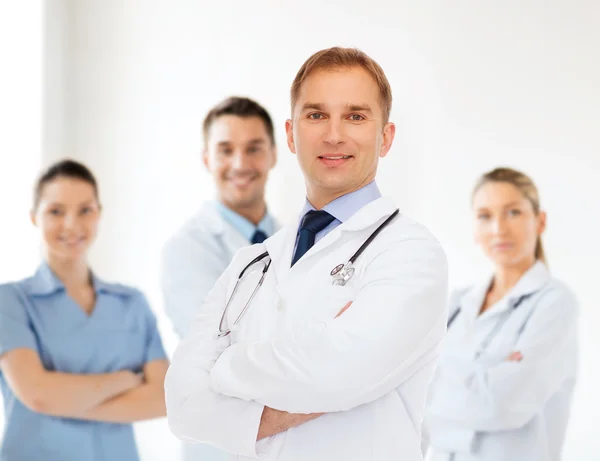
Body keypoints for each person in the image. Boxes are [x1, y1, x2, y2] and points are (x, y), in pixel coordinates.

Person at [164, 47, 448, 461]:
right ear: (292, 135)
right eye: (316, 115)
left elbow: (342, 371)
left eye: (355, 115)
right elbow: (184, 407)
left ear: (385, 137)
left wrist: (224, 368)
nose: (334, 134)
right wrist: (309, 366)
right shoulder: (251, 263)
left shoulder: (411, 254)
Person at [0, 160, 169, 461]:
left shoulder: (132, 304)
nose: (72, 225)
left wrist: (62, 400)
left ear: (99, 214)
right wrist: (125, 380)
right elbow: (38, 394)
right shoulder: (10, 301)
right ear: (33, 217)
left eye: (85, 210)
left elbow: (163, 398)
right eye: (56, 211)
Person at [423, 167, 579, 461]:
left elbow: (504, 404)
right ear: (474, 228)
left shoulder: (555, 303)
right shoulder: (457, 303)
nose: (498, 229)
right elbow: (412, 405)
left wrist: (433, 390)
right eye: (485, 216)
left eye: (513, 213)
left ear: (540, 221)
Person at [160, 96, 278, 460]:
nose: (240, 164)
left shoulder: (295, 242)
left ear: (274, 154)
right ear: (207, 158)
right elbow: (222, 353)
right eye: (226, 150)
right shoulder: (186, 249)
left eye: (253, 148)